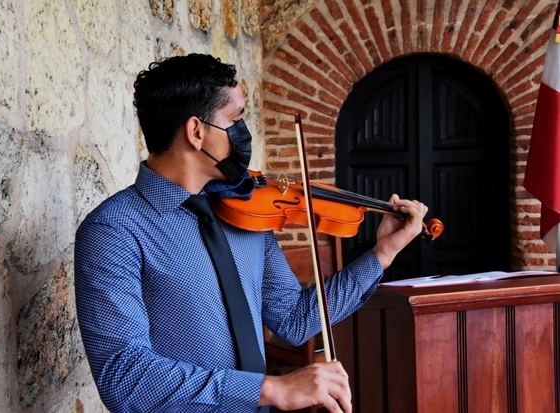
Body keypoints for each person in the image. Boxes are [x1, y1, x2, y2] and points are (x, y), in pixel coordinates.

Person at [74, 53, 427, 413]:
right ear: (197, 132)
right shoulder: (113, 231)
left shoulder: (244, 211)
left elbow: (293, 319)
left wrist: (382, 254)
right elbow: (124, 376)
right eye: (236, 119)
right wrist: (270, 389)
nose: (244, 134)